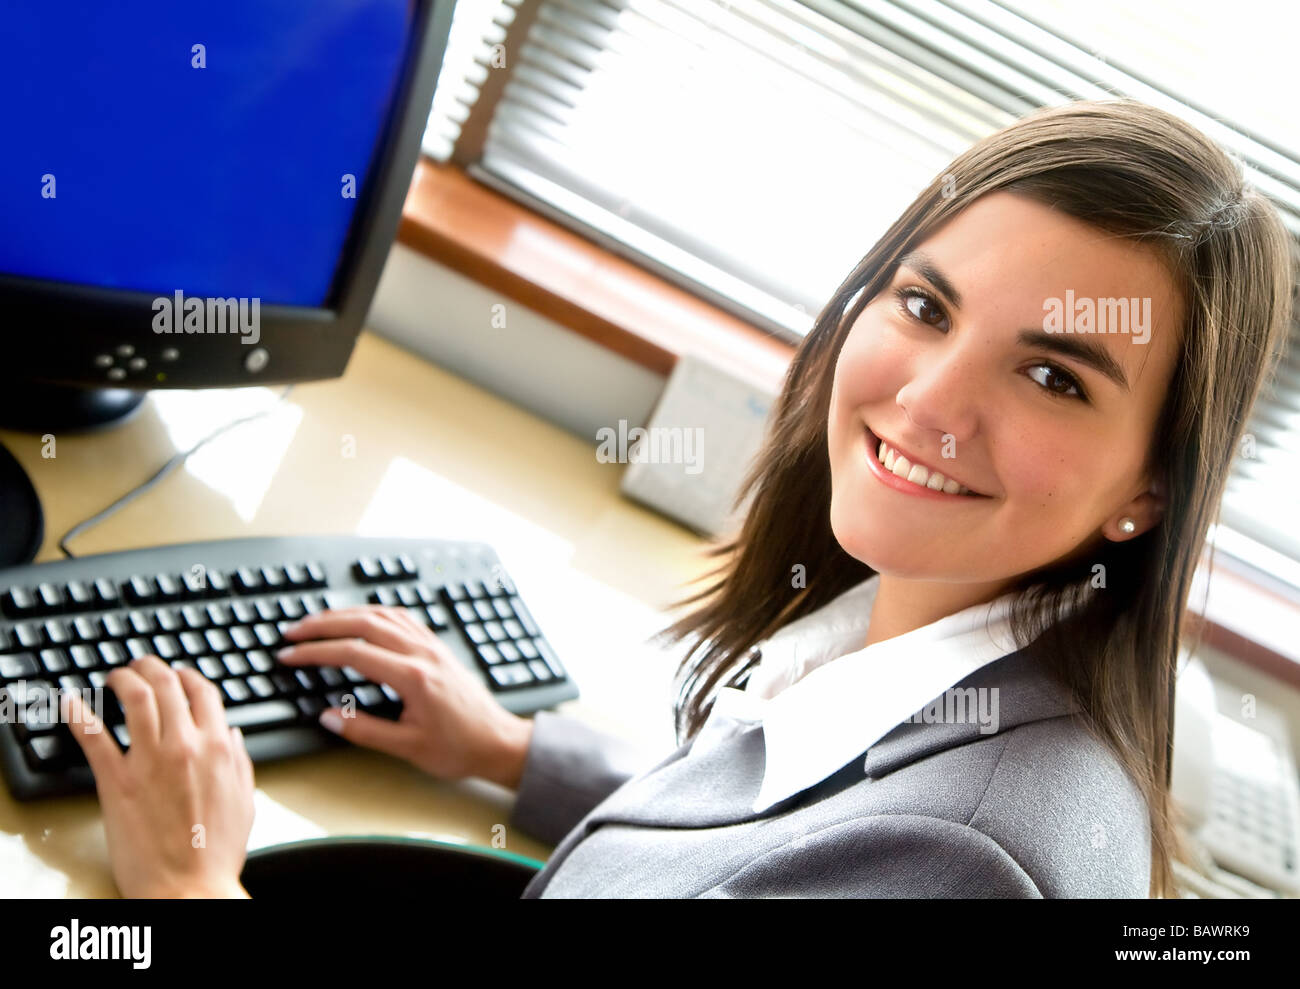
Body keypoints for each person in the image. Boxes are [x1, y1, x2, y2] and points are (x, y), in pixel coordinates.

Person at [63, 98, 1294, 898]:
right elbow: (775, 854)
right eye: (925, 305)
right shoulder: (926, 644)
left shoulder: (964, 866)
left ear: (1149, 487)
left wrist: (190, 889)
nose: (927, 401)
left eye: (1050, 374)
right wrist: (512, 747)